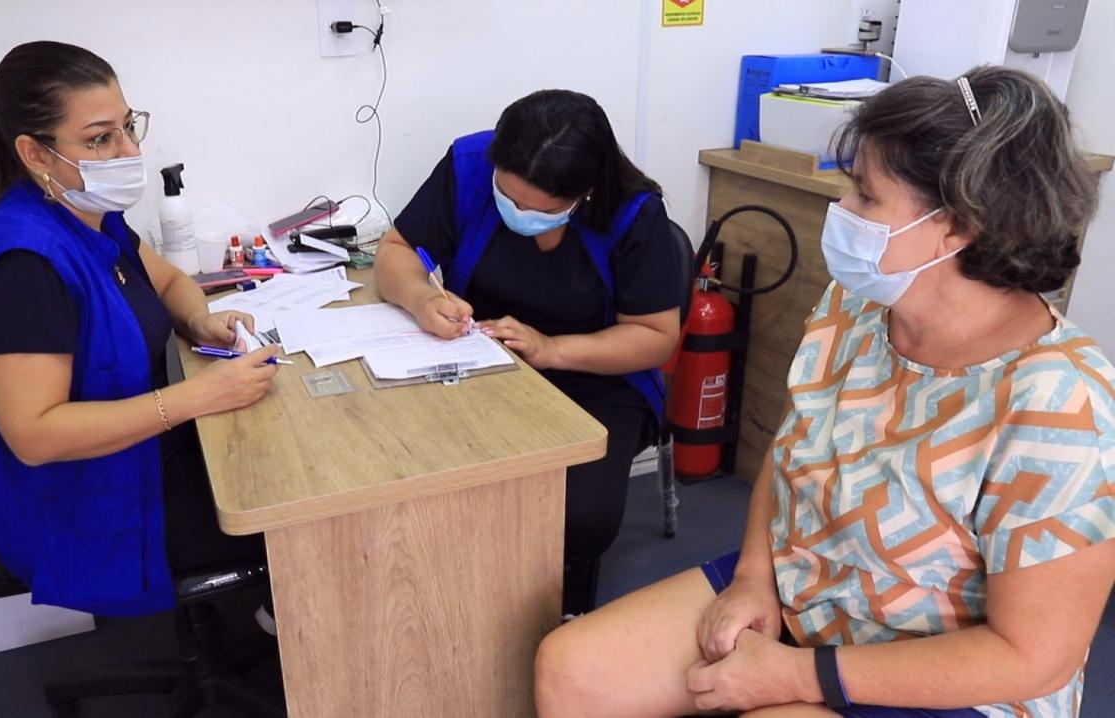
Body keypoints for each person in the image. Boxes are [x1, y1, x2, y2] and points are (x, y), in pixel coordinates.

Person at [533, 66, 1115, 717]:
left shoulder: (1062, 405)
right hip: (809, 587)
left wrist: (800, 675)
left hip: (956, 678)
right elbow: (793, 451)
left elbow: (1033, 657)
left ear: (959, 225)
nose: (841, 209)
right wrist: (753, 579)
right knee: (572, 669)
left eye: (865, 196)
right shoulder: (856, 306)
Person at [0, 41, 278, 617]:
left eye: (128, 126)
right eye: (100, 139)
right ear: (35, 152)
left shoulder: (83, 212)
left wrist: (201, 319)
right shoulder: (26, 265)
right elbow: (34, 436)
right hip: (86, 512)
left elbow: (169, 281)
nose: (129, 151)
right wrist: (198, 396)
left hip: (134, 457)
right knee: (302, 507)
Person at [374, 89, 686, 615]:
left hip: (596, 378)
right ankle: (436, 599)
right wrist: (422, 298)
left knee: (578, 516)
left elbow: (655, 335)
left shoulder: (634, 213)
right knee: (408, 469)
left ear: (585, 194)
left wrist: (553, 349)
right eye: (507, 197)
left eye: (540, 209)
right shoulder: (470, 166)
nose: (517, 214)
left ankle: (541, 609)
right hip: (480, 357)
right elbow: (397, 250)